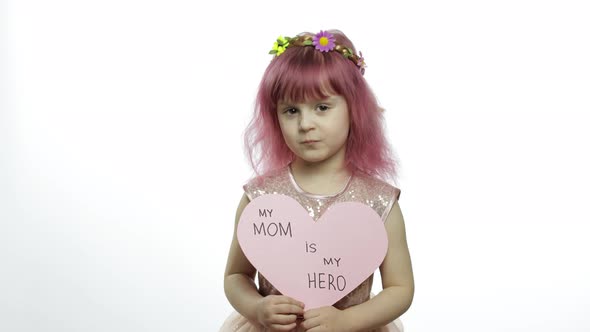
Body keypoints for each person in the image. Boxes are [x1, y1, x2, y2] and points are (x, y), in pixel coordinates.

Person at [221, 29, 414, 332]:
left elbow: (400, 289)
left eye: (322, 107)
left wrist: (347, 320)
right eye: (291, 110)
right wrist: (257, 307)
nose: (305, 124)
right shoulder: (261, 198)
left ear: (355, 110)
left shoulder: (378, 201)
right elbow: (235, 277)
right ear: (275, 117)